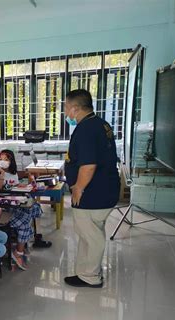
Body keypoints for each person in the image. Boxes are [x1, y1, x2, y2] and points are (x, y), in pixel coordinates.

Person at [63, 89, 120, 288]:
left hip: (92, 193)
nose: (65, 112)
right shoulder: (100, 123)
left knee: (92, 236)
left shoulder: (86, 129)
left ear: (75, 108)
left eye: (65, 107)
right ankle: (84, 272)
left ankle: (92, 277)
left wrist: (78, 187)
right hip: (105, 190)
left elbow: (88, 165)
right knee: (89, 232)